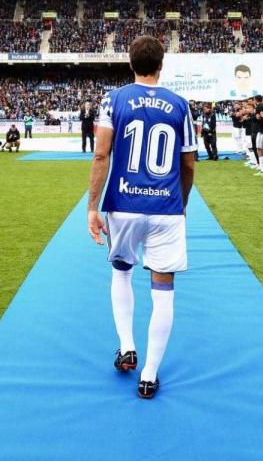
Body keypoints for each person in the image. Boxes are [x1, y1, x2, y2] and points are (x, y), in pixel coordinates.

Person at [87, 35, 197, 399]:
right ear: (161, 65)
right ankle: (149, 374)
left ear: (130, 64)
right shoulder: (181, 104)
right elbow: (188, 162)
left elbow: (101, 155)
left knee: (121, 271)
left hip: (124, 204)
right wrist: (180, 203)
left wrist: (92, 206)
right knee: (163, 290)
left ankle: (127, 346)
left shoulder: (113, 98)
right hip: (166, 207)